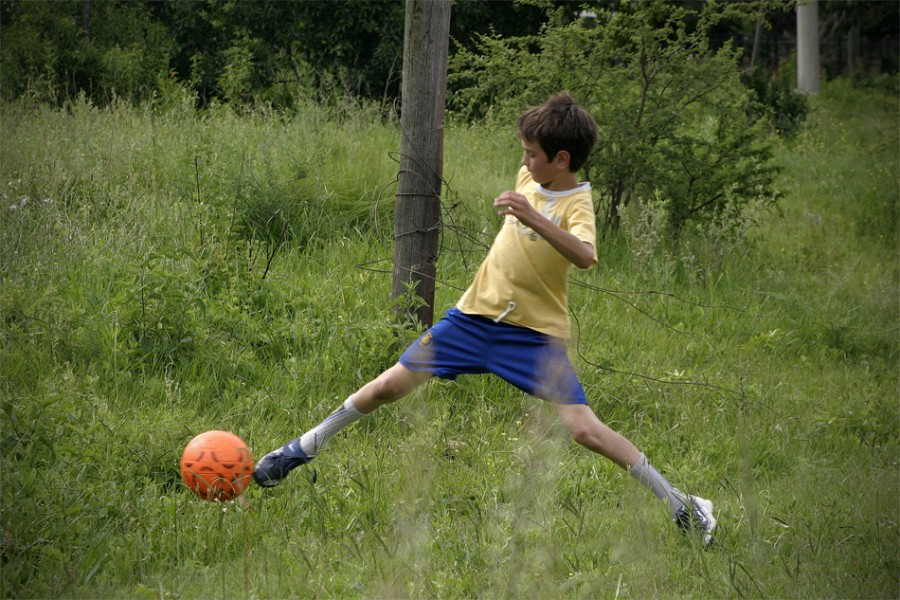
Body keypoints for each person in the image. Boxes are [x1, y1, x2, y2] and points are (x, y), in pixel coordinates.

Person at [253, 91, 716, 547]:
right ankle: (300, 448)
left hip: (533, 339)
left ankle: (683, 504)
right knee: (389, 386)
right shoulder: (529, 175)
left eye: (532, 155)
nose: (524, 161)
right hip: (472, 321)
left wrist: (534, 218)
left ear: (561, 159)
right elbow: (529, 194)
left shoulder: (577, 203)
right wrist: (528, 198)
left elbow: (586, 256)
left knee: (583, 429)